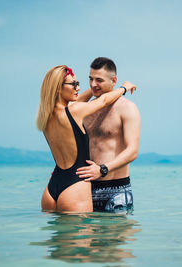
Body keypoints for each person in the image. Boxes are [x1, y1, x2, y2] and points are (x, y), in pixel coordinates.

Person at [36, 65, 136, 212]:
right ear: (58, 88)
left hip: (51, 190)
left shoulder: (46, 117)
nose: (77, 88)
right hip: (74, 188)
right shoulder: (75, 110)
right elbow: (103, 101)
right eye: (73, 84)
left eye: (78, 84)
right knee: (83, 235)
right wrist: (123, 88)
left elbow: (77, 100)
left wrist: (96, 87)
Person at [76, 57, 141, 213]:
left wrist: (103, 169)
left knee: (114, 238)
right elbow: (68, 107)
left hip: (115, 190)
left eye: (99, 80)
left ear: (113, 80)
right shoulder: (86, 109)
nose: (93, 84)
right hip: (85, 188)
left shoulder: (127, 108)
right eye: (90, 79)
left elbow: (132, 151)